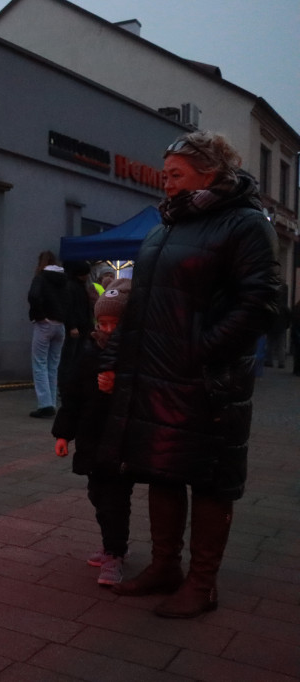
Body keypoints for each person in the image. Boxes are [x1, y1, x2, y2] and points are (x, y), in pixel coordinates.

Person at [99, 131, 280, 618]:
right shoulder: (168, 225)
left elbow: (262, 301)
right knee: (162, 469)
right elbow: (139, 303)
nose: (167, 183)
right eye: (165, 174)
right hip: (157, 377)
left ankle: (203, 584)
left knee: (210, 480)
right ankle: (164, 566)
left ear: (211, 173)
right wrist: (115, 358)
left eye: (176, 174)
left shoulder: (245, 223)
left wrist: (203, 350)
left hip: (208, 383)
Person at [52, 279, 134, 586]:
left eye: (116, 324)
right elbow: (72, 397)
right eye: (103, 323)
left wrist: (118, 387)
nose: (109, 330)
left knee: (115, 497)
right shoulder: (88, 351)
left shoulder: (133, 356)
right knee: (97, 494)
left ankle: (116, 552)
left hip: (119, 442)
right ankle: (110, 545)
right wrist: (63, 435)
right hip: (90, 439)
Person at [26, 250, 67, 418]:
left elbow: (33, 296)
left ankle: (45, 404)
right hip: (60, 326)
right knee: (53, 365)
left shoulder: (41, 278)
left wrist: (40, 316)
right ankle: (52, 403)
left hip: (45, 324)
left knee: (39, 364)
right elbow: (69, 301)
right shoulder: (64, 280)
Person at [57, 260, 94, 395]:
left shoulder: (74, 286)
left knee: (72, 358)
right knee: (71, 358)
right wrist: (72, 326)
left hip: (79, 327)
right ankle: (66, 386)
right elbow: (70, 308)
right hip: (77, 327)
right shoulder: (75, 287)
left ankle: (68, 386)